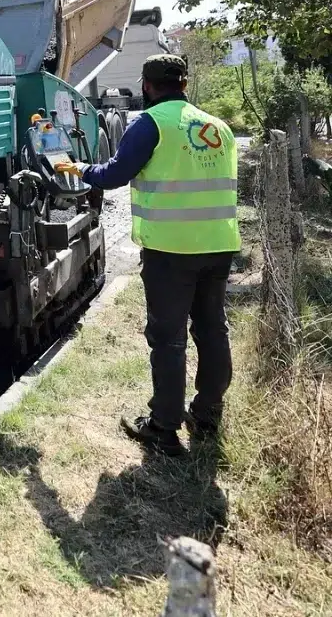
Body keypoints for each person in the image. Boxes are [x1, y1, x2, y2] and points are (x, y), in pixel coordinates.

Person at [55, 54, 241, 457]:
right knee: (212, 330)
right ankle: (208, 414)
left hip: (173, 249)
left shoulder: (150, 124)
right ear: (185, 84)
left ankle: (163, 427)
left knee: (169, 338)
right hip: (220, 244)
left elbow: (115, 175)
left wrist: (78, 169)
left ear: (146, 86)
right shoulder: (219, 127)